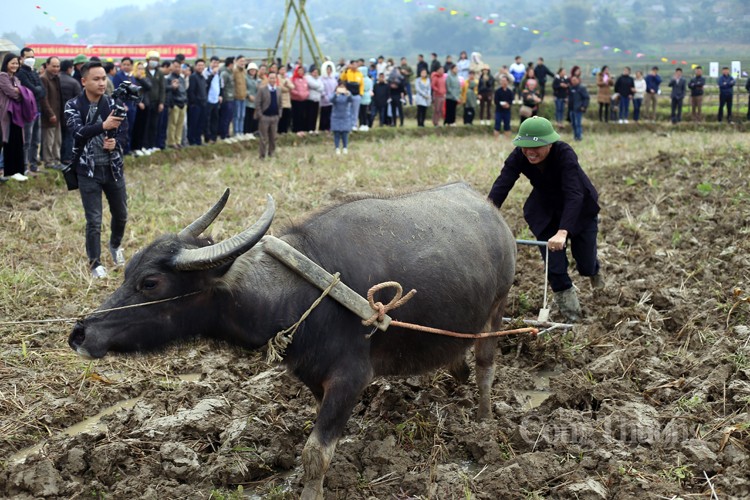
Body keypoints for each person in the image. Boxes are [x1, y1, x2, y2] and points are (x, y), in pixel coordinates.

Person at [488, 116, 603, 322]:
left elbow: (574, 194)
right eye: (524, 146)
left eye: (536, 147)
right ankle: (573, 318)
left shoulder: (564, 154)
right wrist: (486, 213)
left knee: (585, 264)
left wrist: (563, 231)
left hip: (579, 209)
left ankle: (594, 270)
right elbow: (503, 184)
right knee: (555, 269)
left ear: (549, 143)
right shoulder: (519, 155)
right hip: (545, 211)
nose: (530, 152)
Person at [64, 61, 129, 279]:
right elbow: (78, 133)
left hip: (113, 168)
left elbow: (124, 131)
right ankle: (95, 263)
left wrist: (116, 142)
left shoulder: (113, 103)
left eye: (104, 78)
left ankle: (115, 245)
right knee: (94, 220)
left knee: (121, 214)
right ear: (84, 81)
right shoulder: (72, 105)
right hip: (87, 171)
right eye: (96, 79)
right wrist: (104, 126)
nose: (102, 83)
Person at [17, 47, 45, 174]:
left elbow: (42, 91)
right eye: (28, 57)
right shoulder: (21, 73)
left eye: (32, 57)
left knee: (36, 140)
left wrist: (37, 90)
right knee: (26, 140)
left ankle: (33, 164)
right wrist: (37, 90)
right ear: (21, 59)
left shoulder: (34, 72)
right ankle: (24, 167)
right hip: (27, 111)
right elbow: (30, 90)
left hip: (37, 109)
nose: (31, 60)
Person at [0, 53, 28, 181]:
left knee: (15, 141)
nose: (15, 65)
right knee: (3, 140)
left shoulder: (16, 79)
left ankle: (13, 171)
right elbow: (12, 92)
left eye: (17, 63)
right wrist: (20, 91)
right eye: (12, 63)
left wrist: (20, 91)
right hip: (4, 113)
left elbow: (21, 93)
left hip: (15, 115)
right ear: (6, 64)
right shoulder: (2, 77)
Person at [40, 56, 63, 170]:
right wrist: (50, 114)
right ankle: (48, 162)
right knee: (49, 140)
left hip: (58, 114)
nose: (56, 68)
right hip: (49, 115)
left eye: (58, 66)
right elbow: (44, 99)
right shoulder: (44, 78)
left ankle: (56, 160)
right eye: (53, 66)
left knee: (57, 140)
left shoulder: (56, 78)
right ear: (47, 65)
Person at [59, 59, 82, 164]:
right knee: (69, 136)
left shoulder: (56, 79)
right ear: (69, 69)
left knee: (58, 137)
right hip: (69, 112)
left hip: (56, 112)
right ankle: (67, 157)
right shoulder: (73, 82)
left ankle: (57, 157)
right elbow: (80, 99)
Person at [254, 71, 282, 159]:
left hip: (274, 117)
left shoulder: (278, 90)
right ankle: (262, 155)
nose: (272, 80)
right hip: (264, 117)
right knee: (263, 138)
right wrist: (260, 115)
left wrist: (279, 114)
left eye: (274, 78)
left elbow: (280, 104)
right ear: (268, 79)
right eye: (271, 78)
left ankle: (271, 154)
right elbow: (257, 103)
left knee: (273, 137)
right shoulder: (262, 90)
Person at [143, 51, 165, 150]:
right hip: (146, 102)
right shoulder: (143, 71)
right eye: (152, 59)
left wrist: (161, 102)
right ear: (148, 60)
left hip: (156, 102)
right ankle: (145, 145)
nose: (154, 62)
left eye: (156, 60)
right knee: (145, 125)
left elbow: (162, 88)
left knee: (154, 125)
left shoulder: (159, 73)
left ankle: (152, 145)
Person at [165, 59, 187, 149]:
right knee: (172, 124)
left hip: (183, 103)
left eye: (179, 67)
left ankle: (178, 141)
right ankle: (171, 141)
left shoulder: (181, 78)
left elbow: (184, 91)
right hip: (174, 103)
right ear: (172, 67)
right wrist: (172, 87)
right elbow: (166, 90)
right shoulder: (169, 78)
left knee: (180, 124)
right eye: (175, 66)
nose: (177, 68)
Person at [187, 58, 207, 146]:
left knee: (201, 123)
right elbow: (191, 91)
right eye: (199, 65)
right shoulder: (193, 77)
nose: (201, 67)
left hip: (203, 104)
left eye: (202, 65)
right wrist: (194, 102)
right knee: (193, 123)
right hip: (195, 105)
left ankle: (198, 141)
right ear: (195, 66)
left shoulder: (202, 77)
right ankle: (192, 141)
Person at [330, 80, 352, 155]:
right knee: (336, 133)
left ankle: (345, 147)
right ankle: (337, 148)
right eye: (340, 87)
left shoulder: (348, 94)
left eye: (343, 87)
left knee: (345, 133)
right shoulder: (335, 94)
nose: (342, 88)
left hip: (345, 116)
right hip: (336, 116)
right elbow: (331, 100)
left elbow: (351, 100)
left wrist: (348, 94)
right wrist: (336, 94)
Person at [340, 61, 363, 132]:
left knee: (355, 111)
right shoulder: (348, 72)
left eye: (356, 65)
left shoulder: (359, 73)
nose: (354, 66)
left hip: (357, 94)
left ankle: (354, 125)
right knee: (348, 110)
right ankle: (347, 124)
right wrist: (346, 70)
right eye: (353, 65)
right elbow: (342, 78)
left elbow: (362, 84)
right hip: (349, 94)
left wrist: (361, 93)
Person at [204, 56, 222, 143]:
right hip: (208, 99)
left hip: (216, 99)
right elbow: (205, 84)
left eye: (217, 63)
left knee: (215, 119)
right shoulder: (206, 72)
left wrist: (220, 95)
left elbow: (220, 85)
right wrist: (212, 74)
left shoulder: (219, 73)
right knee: (207, 119)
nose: (215, 65)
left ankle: (214, 137)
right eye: (214, 62)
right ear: (210, 63)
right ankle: (207, 137)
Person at [567, 76, 589, 141]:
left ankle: (579, 137)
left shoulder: (581, 88)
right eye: (572, 80)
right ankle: (575, 136)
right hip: (571, 109)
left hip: (578, 109)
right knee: (573, 124)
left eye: (575, 80)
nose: (573, 81)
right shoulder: (571, 88)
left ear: (578, 80)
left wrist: (584, 106)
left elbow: (586, 98)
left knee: (578, 124)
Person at [290, 66, 309, 135]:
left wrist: (306, 94)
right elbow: (291, 89)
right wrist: (298, 94)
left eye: (302, 71)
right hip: (296, 100)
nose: (301, 72)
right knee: (296, 115)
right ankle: (296, 129)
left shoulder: (305, 79)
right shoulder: (293, 79)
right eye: (299, 70)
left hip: (304, 100)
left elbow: (307, 88)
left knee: (303, 115)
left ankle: (302, 129)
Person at [219, 57, 235, 139]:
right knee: (225, 118)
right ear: (230, 64)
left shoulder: (230, 73)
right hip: (226, 99)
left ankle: (227, 133)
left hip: (231, 98)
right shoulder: (224, 73)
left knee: (229, 118)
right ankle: (223, 134)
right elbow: (222, 86)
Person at [319, 61, 337, 132]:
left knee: (330, 115)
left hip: (332, 100)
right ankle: (322, 129)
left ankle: (329, 128)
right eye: (327, 69)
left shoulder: (333, 79)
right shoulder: (322, 79)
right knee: (324, 115)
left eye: (330, 69)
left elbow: (335, 88)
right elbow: (321, 89)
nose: (329, 71)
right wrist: (325, 96)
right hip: (324, 100)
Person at [305, 65, 323, 133]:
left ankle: (313, 128)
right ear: (311, 72)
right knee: (310, 114)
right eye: (314, 72)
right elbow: (312, 85)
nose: (315, 74)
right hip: (310, 99)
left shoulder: (319, 79)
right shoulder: (308, 78)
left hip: (317, 99)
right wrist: (318, 86)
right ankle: (309, 128)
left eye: (317, 72)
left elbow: (322, 88)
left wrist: (317, 87)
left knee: (315, 115)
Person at [233, 55, 248, 136]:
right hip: (236, 97)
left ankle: (241, 131)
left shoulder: (244, 71)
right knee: (237, 116)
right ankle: (236, 132)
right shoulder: (234, 71)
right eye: (241, 61)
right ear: (236, 61)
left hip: (244, 97)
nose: (242, 63)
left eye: (244, 61)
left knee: (242, 116)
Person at [244, 62, 259, 134]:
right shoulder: (245, 78)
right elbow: (243, 88)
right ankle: (247, 132)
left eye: (254, 70)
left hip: (256, 101)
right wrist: (248, 95)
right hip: (248, 101)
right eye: (251, 70)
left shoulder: (258, 80)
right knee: (248, 117)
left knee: (254, 118)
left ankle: (253, 132)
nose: (253, 71)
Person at [357, 65, 372, 131]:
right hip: (367, 96)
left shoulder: (360, 79)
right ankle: (366, 124)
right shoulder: (369, 80)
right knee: (365, 112)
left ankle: (361, 124)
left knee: (361, 113)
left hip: (361, 96)